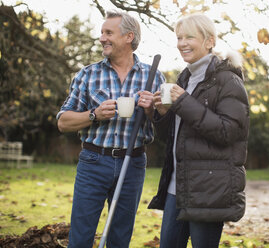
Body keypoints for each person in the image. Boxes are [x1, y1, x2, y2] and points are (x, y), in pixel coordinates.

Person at [56, 9, 164, 248]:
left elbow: (165, 124)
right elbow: (63, 121)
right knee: (81, 237)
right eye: (101, 32)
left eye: (108, 32)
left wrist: (149, 111)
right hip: (94, 161)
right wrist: (94, 115)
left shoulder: (154, 76)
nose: (102, 38)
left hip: (133, 163)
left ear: (129, 37)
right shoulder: (88, 74)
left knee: (119, 237)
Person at [148, 13, 249, 248]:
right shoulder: (185, 79)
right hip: (177, 186)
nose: (182, 43)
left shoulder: (228, 80)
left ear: (209, 41)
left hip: (209, 190)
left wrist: (183, 103)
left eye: (189, 37)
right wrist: (163, 114)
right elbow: (176, 137)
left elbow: (228, 132)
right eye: (179, 37)